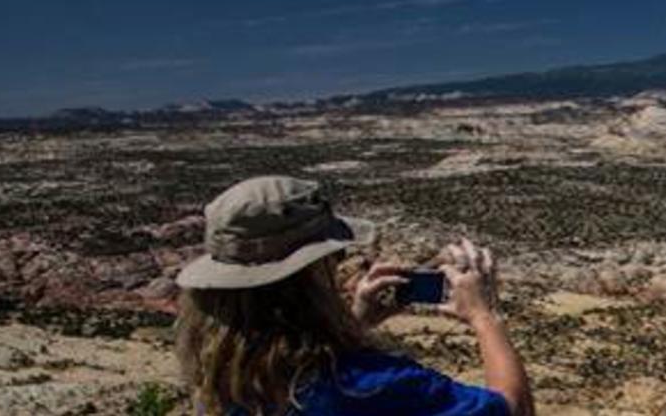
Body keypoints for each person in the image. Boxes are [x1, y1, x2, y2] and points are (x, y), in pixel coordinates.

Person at [172, 176, 534, 415]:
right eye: (335, 257)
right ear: (311, 275)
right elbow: (512, 408)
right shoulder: (368, 386)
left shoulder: (222, 382)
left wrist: (353, 323)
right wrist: (485, 316)